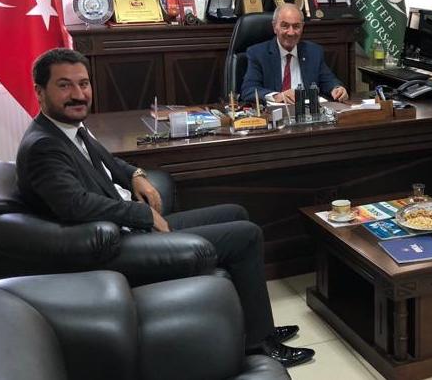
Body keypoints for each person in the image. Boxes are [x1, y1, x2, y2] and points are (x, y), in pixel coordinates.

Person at [16, 48, 315, 368]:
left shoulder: (69, 128)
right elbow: (75, 205)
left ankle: (254, 325)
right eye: (64, 85)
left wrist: (136, 174)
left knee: (235, 212)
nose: (78, 94)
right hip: (116, 245)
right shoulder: (44, 146)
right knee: (246, 235)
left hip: (128, 228)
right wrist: (144, 214)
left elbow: (108, 162)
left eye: (84, 83)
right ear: (39, 91)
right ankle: (258, 345)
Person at [241, 3, 349, 104]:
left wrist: (337, 89)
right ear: (274, 27)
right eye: (285, 26)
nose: (291, 32)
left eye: (296, 26)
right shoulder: (258, 54)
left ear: (302, 27)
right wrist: (277, 96)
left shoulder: (314, 52)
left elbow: (328, 80)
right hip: (275, 114)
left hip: (307, 112)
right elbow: (248, 90)